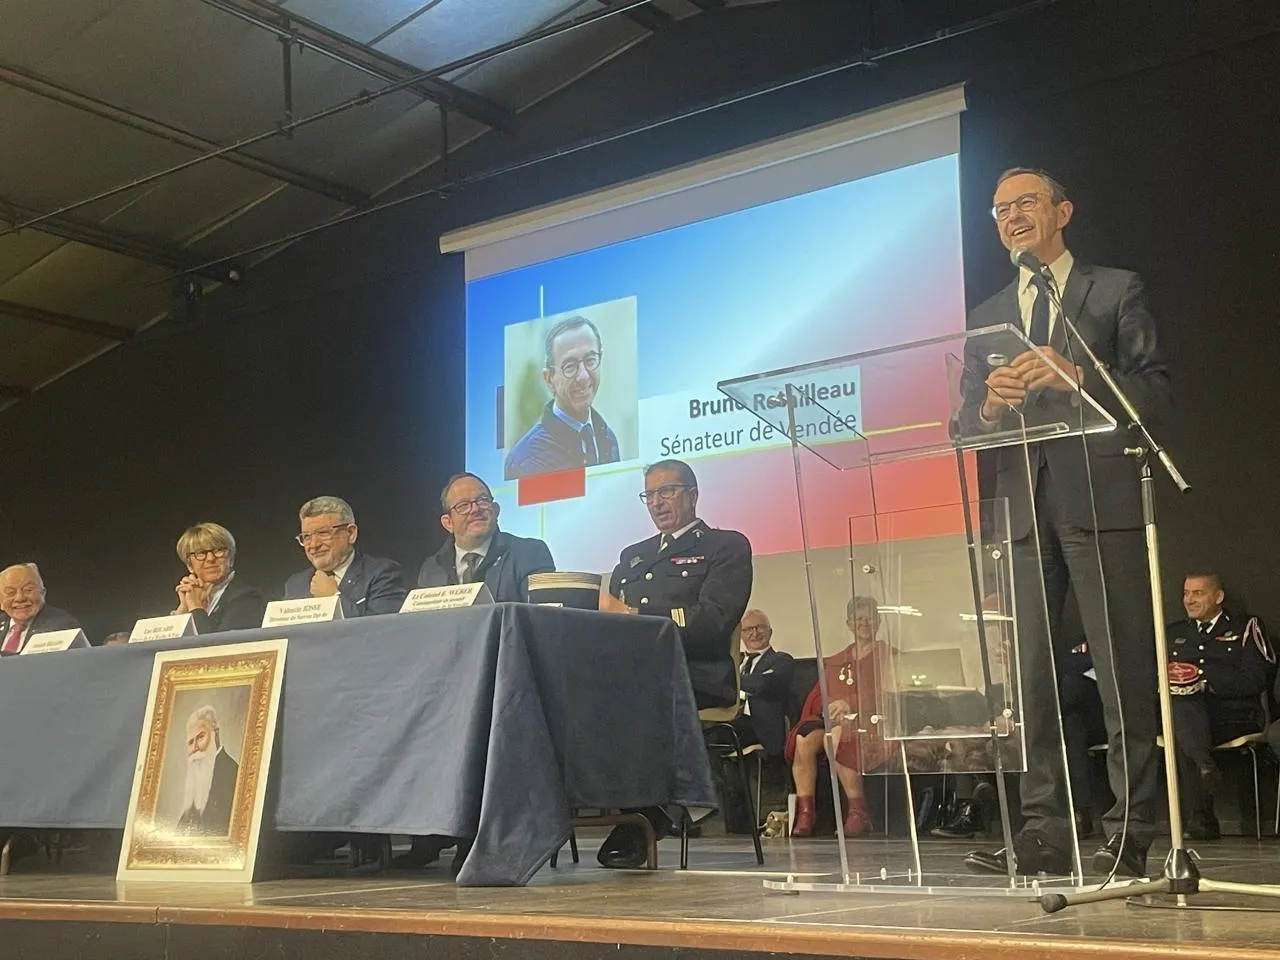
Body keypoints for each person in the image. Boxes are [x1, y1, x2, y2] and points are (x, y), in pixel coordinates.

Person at [960, 168, 1169, 878]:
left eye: (1025, 203)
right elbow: (965, 428)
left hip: (1100, 499)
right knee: (1032, 682)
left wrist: (1079, 374)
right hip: (1024, 510)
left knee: (1121, 670)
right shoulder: (989, 315)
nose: (1011, 217)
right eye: (999, 209)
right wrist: (990, 405)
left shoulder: (1114, 289)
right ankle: (1045, 831)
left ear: (1063, 211)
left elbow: (1153, 389)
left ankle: (1131, 830)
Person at [595, 458, 753, 868]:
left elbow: (714, 621)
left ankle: (649, 813)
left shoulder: (725, 546)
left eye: (667, 491)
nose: (657, 502)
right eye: (650, 495)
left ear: (693, 494)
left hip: (696, 674)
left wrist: (635, 615)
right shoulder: (634, 556)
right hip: (633, 674)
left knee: (634, 700)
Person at [1167, 571, 1273, 841]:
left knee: (1181, 724)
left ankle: (1201, 818)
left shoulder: (1244, 626)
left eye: (1198, 593)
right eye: (1186, 594)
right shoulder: (1174, 633)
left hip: (1233, 714)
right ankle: (1204, 765)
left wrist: (1205, 682)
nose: (1189, 600)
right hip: (1190, 715)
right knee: (1182, 708)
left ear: (1219, 597)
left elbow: (1256, 678)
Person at [786, 597, 891, 838]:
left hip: (870, 721)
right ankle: (806, 813)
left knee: (837, 736)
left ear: (878, 621)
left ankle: (858, 812)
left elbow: (886, 692)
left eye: (869, 618)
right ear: (849, 624)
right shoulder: (836, 661)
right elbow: (818, 695)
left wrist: (849, 703)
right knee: (804, 739)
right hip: (835, 720)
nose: (864, 623)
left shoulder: (888, 656)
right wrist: (830, 705)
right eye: (859, 619)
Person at [504, 316, 621, 479]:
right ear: (549, 379)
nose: (583, 376)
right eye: (570, 366)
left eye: (590, 360)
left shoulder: (608, 438)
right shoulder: (525, 461)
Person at [416, 473, 555, 600]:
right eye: (463, 505)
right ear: (448, 523)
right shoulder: (432, 568)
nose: (475, 509)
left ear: (496, 510)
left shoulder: (530, 553)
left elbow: (542, 614)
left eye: (482, 500)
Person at [284, 496, 407, 617]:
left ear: (351, 533)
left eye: (323, 533)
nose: (314, 545)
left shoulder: (383, 574)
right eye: (306, 536)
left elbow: (382, 627)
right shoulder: (296, 584)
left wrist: (333, 598)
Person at [171, 523, 266, 633]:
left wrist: (196, 607)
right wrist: (183, 609)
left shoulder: (248, 596)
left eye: (218, 551)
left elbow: (222, 642)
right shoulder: (191, 595)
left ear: (230, 559)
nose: (210, 558)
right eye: (201, 553)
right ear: (189, 565)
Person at [735, 609, 795, 759]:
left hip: (762, 729)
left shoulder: (782, 660)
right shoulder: (734, 664)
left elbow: (762, 683)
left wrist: (727, 680)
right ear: (740, 635)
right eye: (748, 629)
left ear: (770, 632)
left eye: (760, 627)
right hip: (731, 722)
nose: (755, 633)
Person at [176, 706, 240, 836]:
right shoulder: (197, 779)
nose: (195, 747)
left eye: (200, 737)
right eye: (190, 742)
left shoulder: (233, 773)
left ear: (216, 733)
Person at [0, 563, 80, 655]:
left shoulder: (61, 625)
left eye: (28, 590)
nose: (20, 598)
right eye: (10, 592)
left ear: (42, 593)